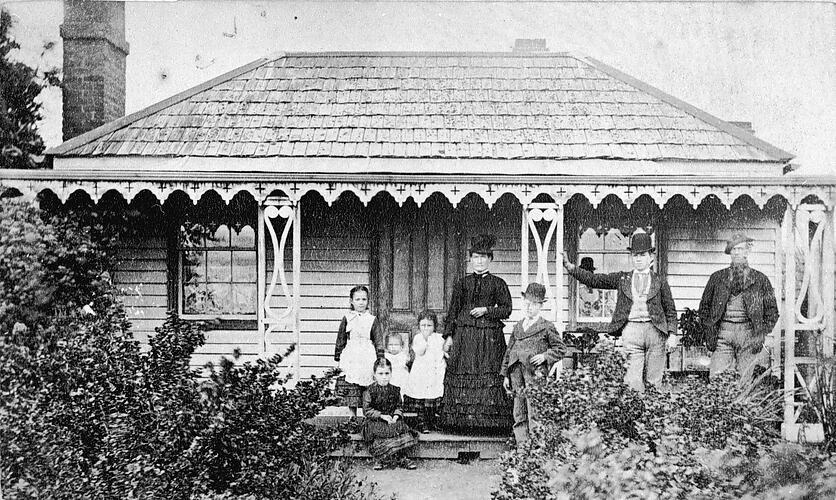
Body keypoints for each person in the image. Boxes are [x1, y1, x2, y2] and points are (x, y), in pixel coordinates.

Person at [561, 232, 678, 393]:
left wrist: (672, 334)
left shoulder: (660, 280)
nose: (638, 259)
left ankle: (652, 417)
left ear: (651, 256)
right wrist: (571, 268)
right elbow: (596, 280)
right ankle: (636, 417)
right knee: (632, 383)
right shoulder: (623, 278)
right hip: (631, 332)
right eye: (635, 255)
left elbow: (670, 309)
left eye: (642, 255)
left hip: (656, 332)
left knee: (654, 382)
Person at [441, 234, 513, 432]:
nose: (479, 261)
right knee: (464, 373)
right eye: (475, 257)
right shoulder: (462, 283)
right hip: (465, 339)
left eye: (483, 257)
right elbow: (453, 311)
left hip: (489, 339)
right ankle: (462, 424)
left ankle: (489, 425)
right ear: (470, 259)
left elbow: (507, 309)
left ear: (490, 259)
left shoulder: (498, 283)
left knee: (488, 375)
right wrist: (448, 336)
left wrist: (487, 310)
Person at [699, 233, 779, 381]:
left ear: (748, 251)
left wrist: (761, 333)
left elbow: (772, 312)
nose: (737, 253)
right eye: (734, 249)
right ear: (730, 253)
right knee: (717, 378)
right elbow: (704, 308)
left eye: (741, 249)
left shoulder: (760, 279)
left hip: (748, 334)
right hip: (723, 333)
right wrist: (710, 331)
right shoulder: (717, 278)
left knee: (745, 380)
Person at [501, 282, 566, 445]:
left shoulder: (546, 326)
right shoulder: (518, 326)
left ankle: (536, 449)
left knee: (534, 410)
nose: (529, 307)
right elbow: (509, 351)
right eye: (527, 303)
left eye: (534, 304)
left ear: (540, 306)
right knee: (519, 410)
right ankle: (523, 448)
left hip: (534, 375)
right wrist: (505, 375)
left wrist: (545, 356)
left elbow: (560, 348)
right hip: (516, 373)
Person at [334, 285, 384, 416]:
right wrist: (338, 355)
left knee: (367, 384)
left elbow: (378, 339)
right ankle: (352, 416)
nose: (361, 302)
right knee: (352, 386)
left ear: (368, 301)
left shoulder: (372, 319)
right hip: (351, 355)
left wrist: (380, 357)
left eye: (364, 299)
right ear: (351, 301)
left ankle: (368, 415)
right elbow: (341, 338)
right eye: (357, 299)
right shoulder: (347, 318)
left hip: (367, 354)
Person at [362, 357, 418, 470]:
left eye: (387, 373)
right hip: (376, 421)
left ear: (391, 374)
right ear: (374, 375)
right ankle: (380, 458)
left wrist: (396, 416)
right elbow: (367, 410)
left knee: (401, 428)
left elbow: (399, 406)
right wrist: (381, 416)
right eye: (380, 373)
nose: (384, 377)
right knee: (378, 432)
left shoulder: (395, 390)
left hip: (392, 420)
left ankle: (402, 457)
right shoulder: (369, 391)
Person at [404, 310, 447, 433]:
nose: (426, 328)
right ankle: (422, 422)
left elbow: (443, 352)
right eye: (423, 325)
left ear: (434, 326)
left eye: (429, 325)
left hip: (434, 373)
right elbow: (420, 351)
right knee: (421, 397)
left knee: (432, 398)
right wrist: (425, 339)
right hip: (421, 374)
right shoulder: (418, 338)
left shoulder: (439, 338)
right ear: (419, 326)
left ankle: (431, 421)